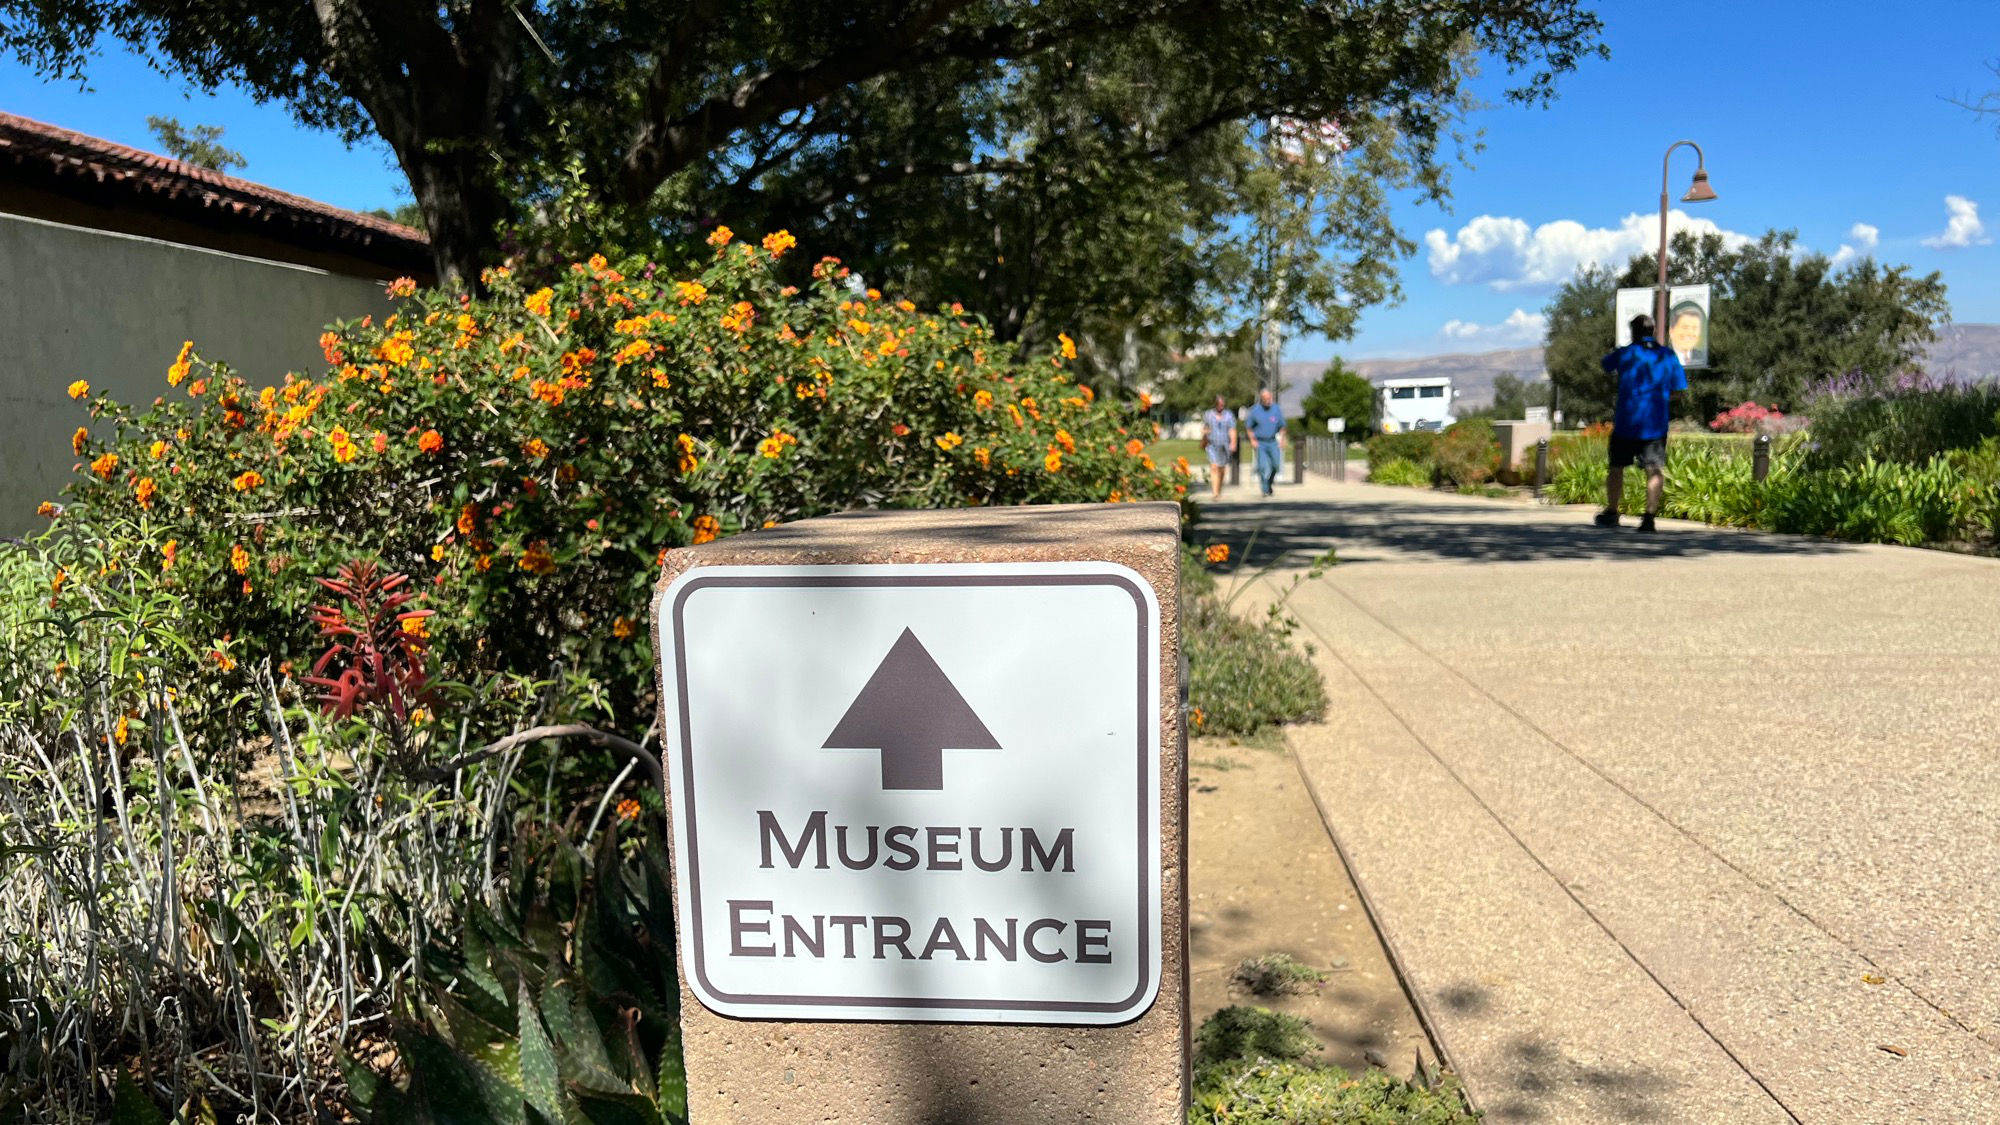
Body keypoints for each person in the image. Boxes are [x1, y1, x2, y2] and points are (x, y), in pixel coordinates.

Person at [1597, 313, 1686, 533]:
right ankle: (1649, 517)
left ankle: (1612, 511)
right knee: (1654, 469)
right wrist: (1662, 398)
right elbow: (1679, 390)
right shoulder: (1667, 356)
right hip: (1655, 423)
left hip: (1627, 421)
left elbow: (1605, 365)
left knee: (1616, 468)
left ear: (1633, 332)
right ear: (1653, 331)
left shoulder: (1626, 354)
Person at [1245, 388, 1286, 496]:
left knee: (1276, 465)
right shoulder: (1255, 411)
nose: (1268, 401)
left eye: (1270, 398)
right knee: (1262, 466)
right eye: (1266, 399)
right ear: (1261, 399)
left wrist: (1282, 439)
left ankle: (1269, 483)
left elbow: (1282, 426)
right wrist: (1252, 440)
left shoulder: (1276, 409)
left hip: (1272, 441)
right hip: (1260, 442)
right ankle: (1264, 488)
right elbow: (1249, 428)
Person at [1202, 394, 1237, 500]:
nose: (1220, 406)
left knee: (1221, 468)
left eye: (1222, 404)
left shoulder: (1229, 415)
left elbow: (1232, 429)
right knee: (1214, 467)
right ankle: (1215, 492)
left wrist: (1233, 443)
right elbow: (1205, 428)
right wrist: (1204, 437)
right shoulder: (1208, 414)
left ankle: (1219, 488)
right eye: (1219, 404)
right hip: (1212, 444)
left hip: (1225, 445)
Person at [1667, 300, 1706, 367]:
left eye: (1695, 328)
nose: (1690, 333)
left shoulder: (1702, 356)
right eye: (1685, 327)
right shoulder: (1663, 356)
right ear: (1671, 331)